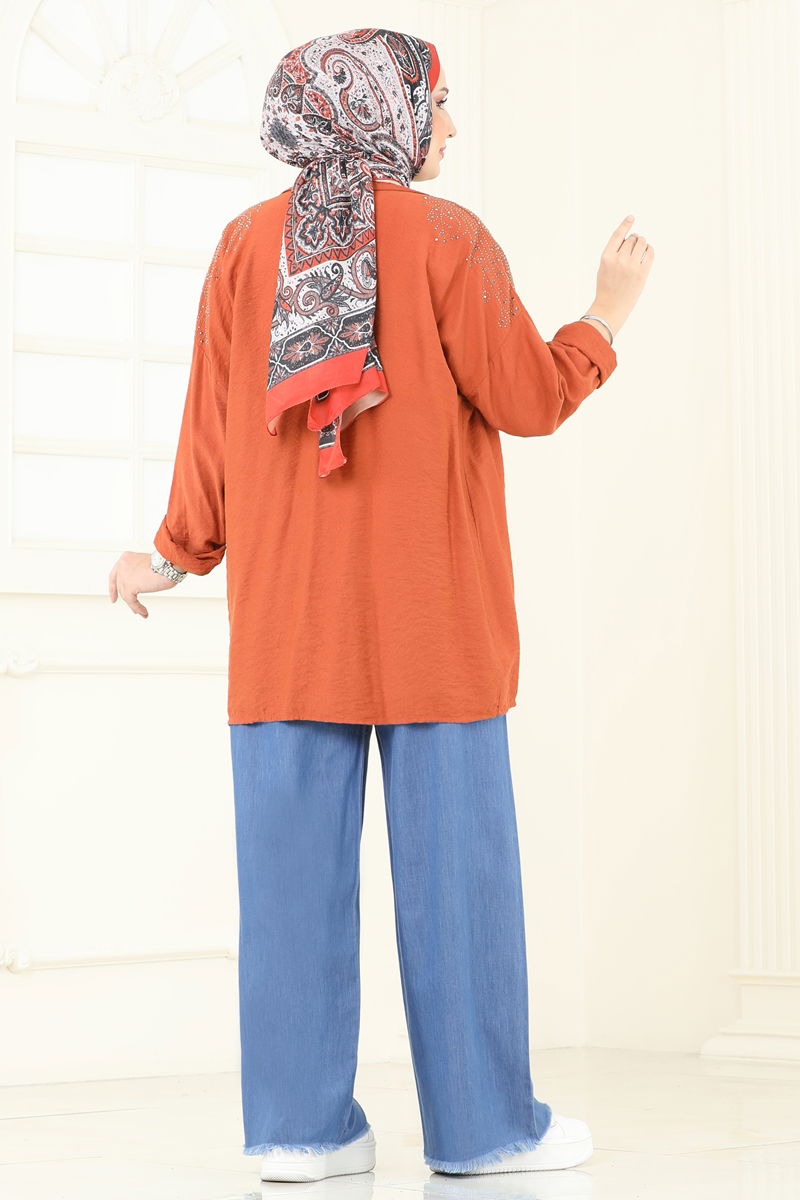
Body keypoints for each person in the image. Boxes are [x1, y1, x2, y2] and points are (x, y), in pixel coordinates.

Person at [108, 26, 653, 1185]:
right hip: (433, 626)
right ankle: (484, 1132)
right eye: (436, 102)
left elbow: (209, 426)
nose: (449, 124)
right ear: (381, 111)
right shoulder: (447, 238)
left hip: (287, 631)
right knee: (458, 891)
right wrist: (603, 316)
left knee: (288, 894)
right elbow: (527, 398)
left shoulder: (243, 246)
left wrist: (173, 555)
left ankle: (299, 1135)